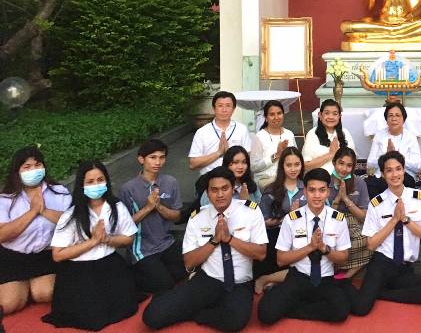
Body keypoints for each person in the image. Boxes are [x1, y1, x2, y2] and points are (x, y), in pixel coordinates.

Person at [142, 166, 268, 331]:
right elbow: (189, 263)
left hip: (239, 282)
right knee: (152, 317)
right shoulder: (198, 217)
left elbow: (261, 253)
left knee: (235, 322)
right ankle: (191, 304)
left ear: (233, 189)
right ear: (207, 194)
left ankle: (197, 313)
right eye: (214, 190)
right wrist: (214, 241)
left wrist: (229, 239)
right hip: (208, 279)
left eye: (225, 188)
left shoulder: (251, 211)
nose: (220, 194)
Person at [44, 160, 138, 330]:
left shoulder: (116, 207)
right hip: (80, 270)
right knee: (91, 318)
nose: (96, 185)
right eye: (90, 182)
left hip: (109, 263)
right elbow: (57, 255)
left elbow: (128, 238)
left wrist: (107, 239)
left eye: (100, 180)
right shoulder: (71, 215)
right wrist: (92, 242)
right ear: (82, 185)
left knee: (125, 307)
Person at [348, 151, 421, 315]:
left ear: (404, 170)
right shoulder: (376, 203)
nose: (395, 174)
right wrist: (394, 220)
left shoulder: (419, 198)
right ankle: (346, 286)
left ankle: (381, 293)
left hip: (404, 268)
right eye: (389, 170)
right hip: (382, 264)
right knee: (360, 308)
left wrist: (405, 220)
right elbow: (371, 244)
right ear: (383, 174)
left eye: (398, 169)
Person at [257, 168, 351, 324]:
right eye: (312, 190)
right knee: (265, 314)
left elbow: (343, 258)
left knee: (341, 312)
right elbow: (281, 260)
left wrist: (324, 249)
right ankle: (304, 304)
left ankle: (294, 307)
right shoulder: (292, 219)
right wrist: (310, 247)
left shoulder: (338, 219)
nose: (317, 195)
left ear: (328, 192)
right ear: (305, 192)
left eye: (322, 190)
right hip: (298, 277)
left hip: (325, 279)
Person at [0, 146, 71, 315]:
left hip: (45, 254)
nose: (33, 170)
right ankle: (21, 288)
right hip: (13, 257)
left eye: (38, 165)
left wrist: (44, 210)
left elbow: (72, 222)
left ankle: (32, 287)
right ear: (17, 171)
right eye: (27, 167)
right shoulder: (5, 198)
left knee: (45, 293)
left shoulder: (59, 193)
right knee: (10, 303)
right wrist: (32, 211)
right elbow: (3, 235)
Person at [119, 139, 184, 295]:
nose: (158, 162)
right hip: (142, 249)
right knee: (165, 285)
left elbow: (177, 216)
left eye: (162, 157)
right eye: (153, 157)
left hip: (167, 242)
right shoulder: (128, 189)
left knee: (188, 269)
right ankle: (136, 275)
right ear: (141, 159)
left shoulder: (170, 182)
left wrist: (159, 207)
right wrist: (148, 208)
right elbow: (124, 226)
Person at [254, 147, 306, 292]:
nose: (293, 169)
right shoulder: (271, 189)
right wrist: (287, 217)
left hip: (303, 235)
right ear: (282, 166)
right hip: (277, 235)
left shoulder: (308, 187)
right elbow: (263, 221)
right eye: (289, 165)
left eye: (297, 164)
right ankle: (271, 279)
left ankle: (272, 280)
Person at [328, 147, 371, 278]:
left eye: (349, 165)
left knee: (370, 240)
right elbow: (325, 215)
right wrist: (337, 199)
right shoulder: (325, 181)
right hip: (331, 220)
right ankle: (332, 270)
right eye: (341, 163)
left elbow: (364, 217)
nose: (344, 169)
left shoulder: (359, 182)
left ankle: (347, 276)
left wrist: (346, 199)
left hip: (354, 220)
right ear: (334, 162)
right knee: (331, 243)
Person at [189, 91, 252, 175]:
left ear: (233, 109)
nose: (224, 110)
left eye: (228, 106)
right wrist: (218, 153)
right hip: (209, 179)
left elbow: (248, 158)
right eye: (220, 105)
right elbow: (193, 164)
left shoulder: (242, 129)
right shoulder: (202, 132)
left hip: (235, 179)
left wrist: (230, 154)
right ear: (214, 108)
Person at [366, 102, 421, 196]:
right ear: (386, 119)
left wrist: (397, 156)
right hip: (383, 175)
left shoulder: (410, 137)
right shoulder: (379, 135)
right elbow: (370, 163)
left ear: (403, 119)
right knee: (369, 184)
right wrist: (385, 156)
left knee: (404, 183)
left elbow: (418, 166)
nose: (394, 118)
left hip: (404, 176)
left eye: (397, 115)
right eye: (390, 115)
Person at [251, 100, 296, 190]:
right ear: (266, 117)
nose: (276, 117)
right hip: (266, 180)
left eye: (279, 113)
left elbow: (297, 158)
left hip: (288, 178)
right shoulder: (259, 136)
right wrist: (276, 155)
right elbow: (254, 167)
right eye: (272, 114)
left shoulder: (289, 134)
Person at [303, 99, 354, 173]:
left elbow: (352, 161)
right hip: (319, 178)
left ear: (339, 116)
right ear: (320, 115)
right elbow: (306, 166)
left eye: (335, 114)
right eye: (327, 113)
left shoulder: (345, 132)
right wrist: (331, 154)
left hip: (342, 177)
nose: (331, 117)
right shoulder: (312, 134)